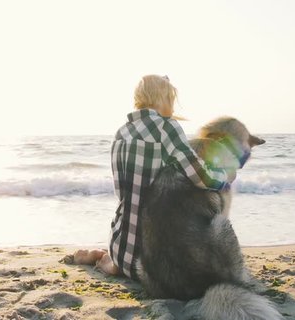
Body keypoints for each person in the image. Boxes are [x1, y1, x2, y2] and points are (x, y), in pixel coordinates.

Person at [70, 75, 232, 279]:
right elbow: (199, 176)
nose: (173, 105)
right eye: (171, 97)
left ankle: (110, 260)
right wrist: (223, 177)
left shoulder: (121, 132)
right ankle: (108, 261)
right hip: (156, 259)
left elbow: (122, 193)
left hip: (121, 245)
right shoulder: (166, 127)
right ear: (161, 97)